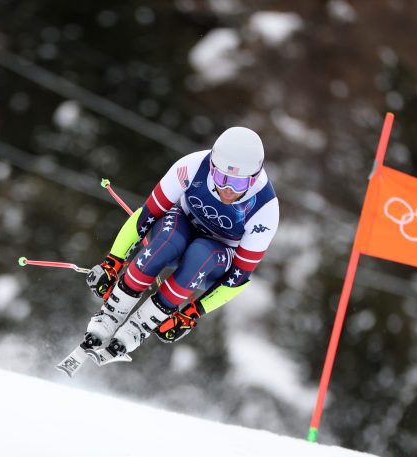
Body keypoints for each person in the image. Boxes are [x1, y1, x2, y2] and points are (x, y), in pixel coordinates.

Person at [57, 127, 279, 377]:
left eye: (238, 183)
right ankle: (109, 316)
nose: (228, 189)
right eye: (220, 178)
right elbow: (145, 216)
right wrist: (113, 261)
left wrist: (194, 311)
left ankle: (136, 330)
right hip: (180, 224)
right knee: (167, 242)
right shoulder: (192, 166)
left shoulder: (265, 209)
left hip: (216, 255)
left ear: (254, 178)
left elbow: (239, 277)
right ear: (212, 166)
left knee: (199, 255)